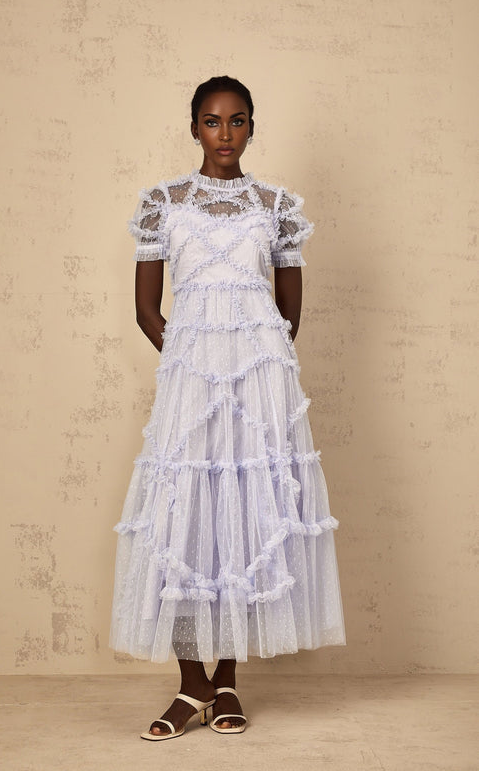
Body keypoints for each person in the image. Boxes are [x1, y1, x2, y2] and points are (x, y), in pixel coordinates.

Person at [109, 76, 346, 741]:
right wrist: (190, 359)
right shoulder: (163, 204)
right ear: (193, 128)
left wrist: (258, 363)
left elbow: (289, 307)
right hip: (191, 385)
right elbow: (147, 309)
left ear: (250, 128)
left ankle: (230, 676)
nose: (225, 135)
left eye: (237, 121)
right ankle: (191, 685)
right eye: (212, 122)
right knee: (185, 517)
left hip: (257, 387)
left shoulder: (275, 205)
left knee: (245, 512)